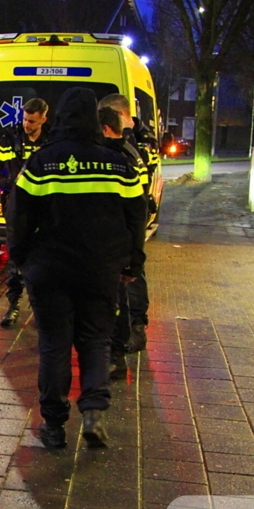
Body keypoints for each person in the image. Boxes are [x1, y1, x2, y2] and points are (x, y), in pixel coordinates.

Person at [9, 87, 145, 450]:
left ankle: (54, 426)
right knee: (95, 341)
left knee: (54, 345)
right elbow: (136, 216)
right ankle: (94, 412)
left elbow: (18, 215)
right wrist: (133, 261)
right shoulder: (118, 164)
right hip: (100, 269)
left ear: (60, 119)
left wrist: (21, 260)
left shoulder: (41, 162)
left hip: (49, 269)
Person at [97, 93, 159, 353]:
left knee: (134, 271)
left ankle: (136, 327)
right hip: (121, 212)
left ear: (120, 115)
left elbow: (144, 176)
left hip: (132, 212)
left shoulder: (141, 140)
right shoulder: (131, 140)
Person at [0, 97, 50, 328]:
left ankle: (41, 308)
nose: (27, 125)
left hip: (44, 209)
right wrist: (7, 182)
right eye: (25, 119)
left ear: (44, 119)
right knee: (15, 258)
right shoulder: (9, 140)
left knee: (43, 258)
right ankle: (13, 305)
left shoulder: (51, 141)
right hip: (16, 207)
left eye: (32, 121)